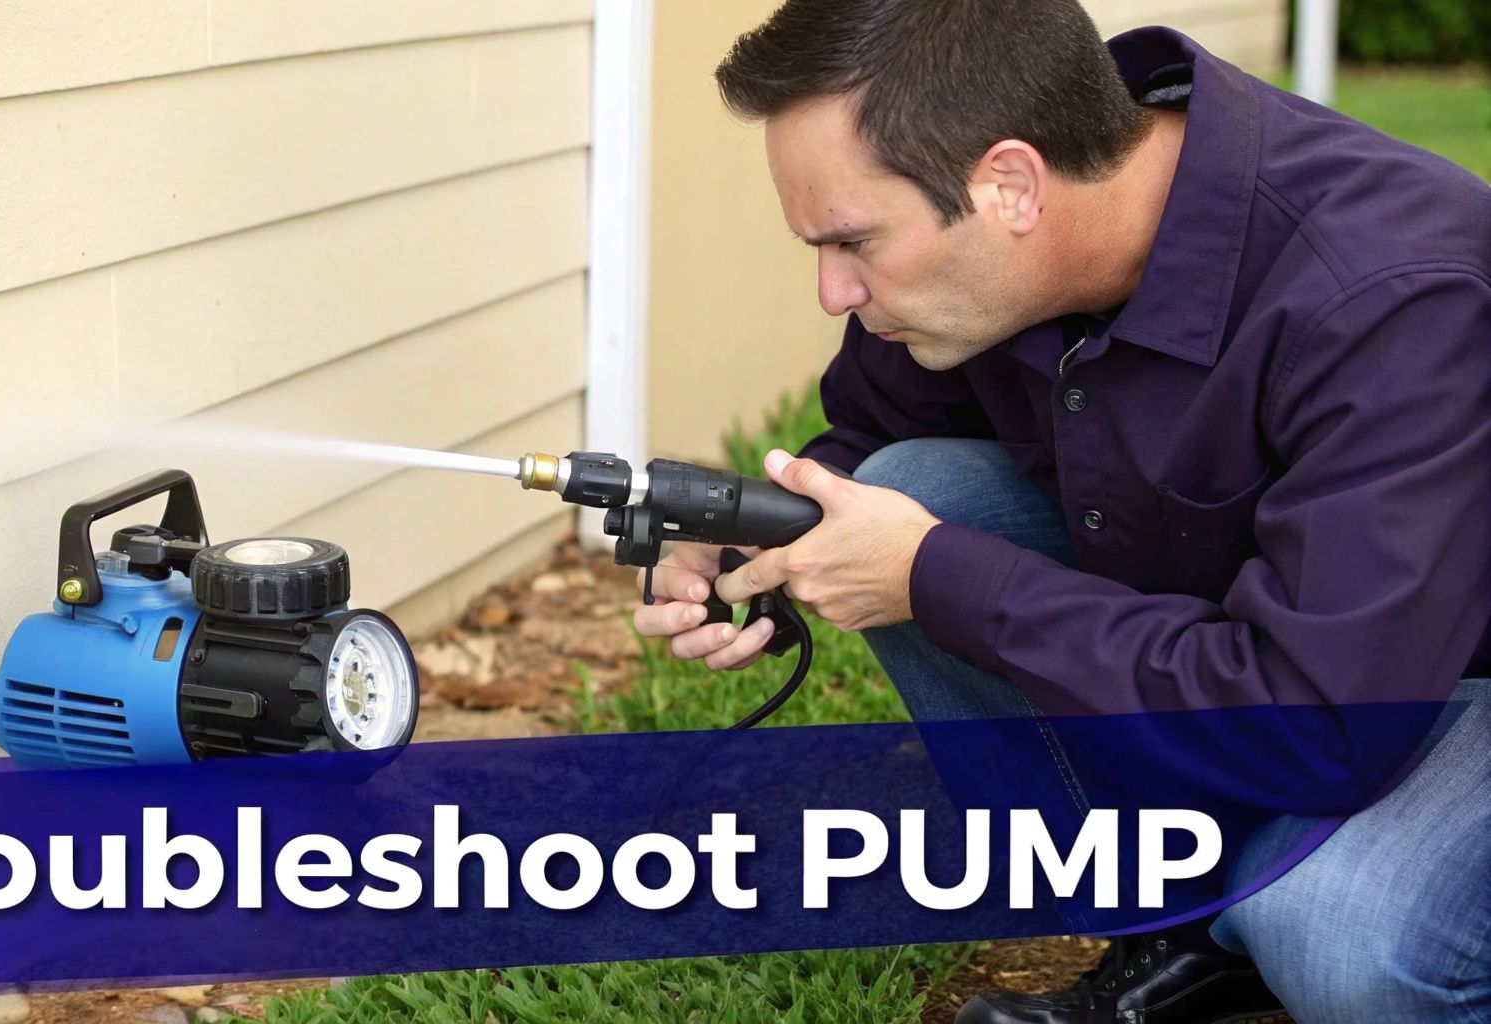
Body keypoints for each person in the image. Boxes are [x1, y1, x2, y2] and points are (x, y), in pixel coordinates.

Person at [630, 0, 1491, 1021]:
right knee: (895, 498)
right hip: (1293, 655)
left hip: (1425, 683)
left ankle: (1272, 902)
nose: (830, 291)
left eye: (854, 239)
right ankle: (1179, 929)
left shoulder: (1387, 295)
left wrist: (935, 575)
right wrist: (763, 539)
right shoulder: (1008, 255)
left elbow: (1326, 723)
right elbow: (865, 439)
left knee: (1343, 934)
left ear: (1008, 184)